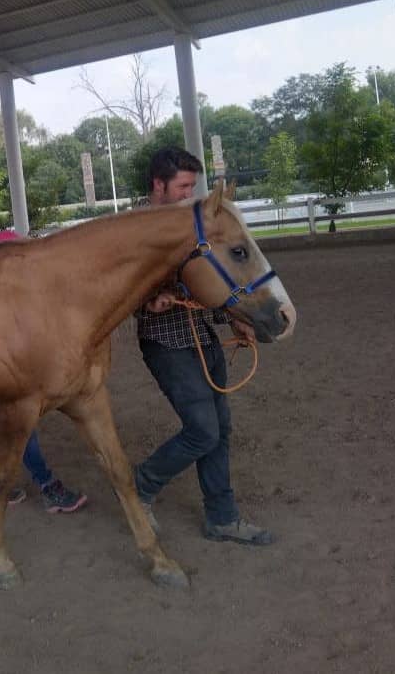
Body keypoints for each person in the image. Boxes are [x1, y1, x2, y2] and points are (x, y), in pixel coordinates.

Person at [134, 148, 273, 546]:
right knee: (202, 431)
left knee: (221, 430)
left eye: (193, 186)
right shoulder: (139, 228)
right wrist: (147, 301)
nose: (190, 194)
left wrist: (236, 318)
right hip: (166, 343)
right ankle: (140, 484)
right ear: (158, 185)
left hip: (200, 335)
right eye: (182, 186)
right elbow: (120, 289)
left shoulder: (192, 222)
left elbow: (213, 278)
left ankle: (222, 517)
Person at [0, 229, 88, 513]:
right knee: (22, 427)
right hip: (9, 373)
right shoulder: (0, 300)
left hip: (5, 373)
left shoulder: (14, 297)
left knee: (0, 420)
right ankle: (47, 484)